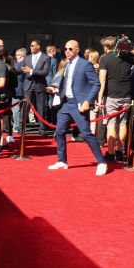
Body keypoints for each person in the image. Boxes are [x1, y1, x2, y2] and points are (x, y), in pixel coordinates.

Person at [46, 40, 106, 175]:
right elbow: (67, 85)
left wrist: (87, 101)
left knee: (86, 133)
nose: (67, 51)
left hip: (78, 104)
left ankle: (101, 162)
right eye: (66, 49)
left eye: (70, 49)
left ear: (77, 50)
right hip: (65, 103)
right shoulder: (67, 64)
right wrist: (55, 90)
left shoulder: (85, 64)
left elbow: (96, 84)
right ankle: (62, 161)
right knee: (60, 131)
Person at [98, 35, 133, 161]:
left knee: (111, 124)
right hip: (126, 95)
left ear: (107, 46)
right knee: (123, 123)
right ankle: (119, 151)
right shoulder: (129, 57)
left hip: (112, 95)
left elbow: (102, 80)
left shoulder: (105, 58)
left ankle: (111, 153)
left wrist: (100, 98)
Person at [21, 39, 52, 135]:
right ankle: (22, 128)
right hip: (28, 84)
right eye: (30, 46)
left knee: (41, 107)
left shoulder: (46, 58)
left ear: (38, 46)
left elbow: (45, 72)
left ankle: (42, 128)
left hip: (40, 84)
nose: (31, 47)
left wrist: (31, 71)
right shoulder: (27, 58)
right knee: (25, 107)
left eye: (32, 45)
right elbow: (23, 69)